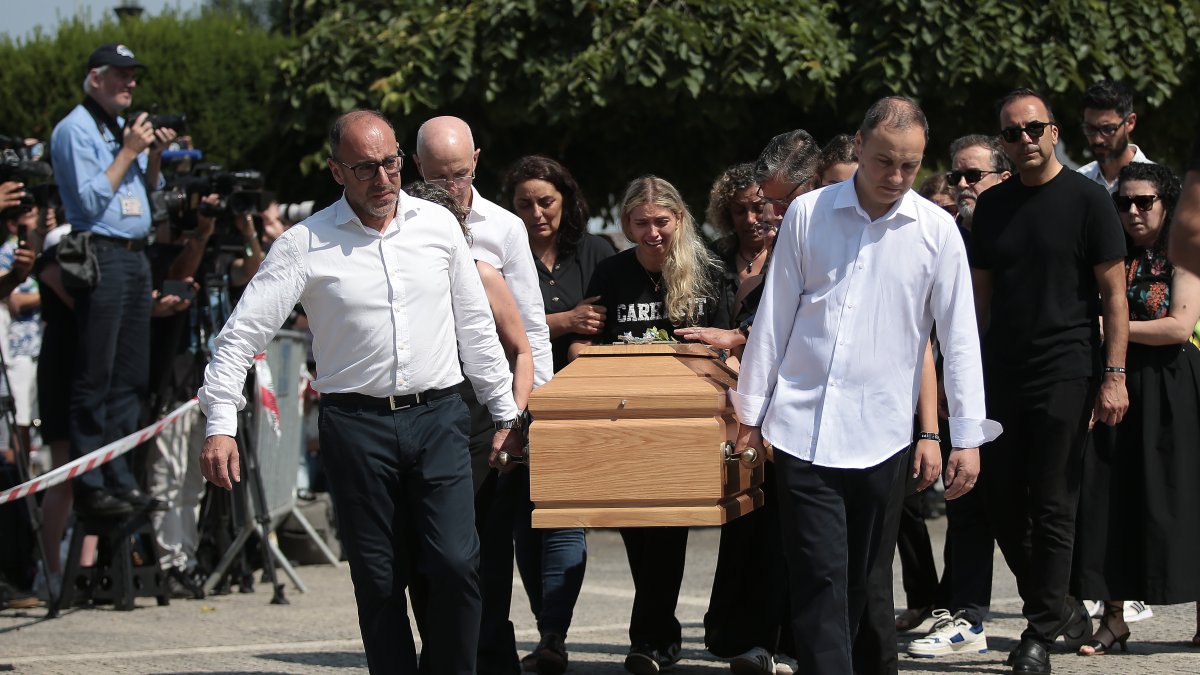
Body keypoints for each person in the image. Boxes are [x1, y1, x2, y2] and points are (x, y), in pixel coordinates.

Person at [198, 110, 525, 674]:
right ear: (336, 172)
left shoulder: (438, 226)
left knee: (455, 562)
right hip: (356, 427)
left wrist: (506, 413)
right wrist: (220, 424)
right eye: (366, 167)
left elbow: (476, 327)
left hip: (440, 415)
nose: (384, 178)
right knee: (378, 577)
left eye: (391, 162)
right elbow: (239, 336)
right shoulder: (306, 242)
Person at [730, 96, 998, 674]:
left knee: (865, 584)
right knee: (819, 579)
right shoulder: (807, 214)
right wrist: (749, 416)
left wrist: (965, 438)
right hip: (802, 431)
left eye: (910, 166)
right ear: (858, 146)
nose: (896, 177)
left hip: (884, 436)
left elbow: (958, 341)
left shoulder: (938, 233)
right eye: (884, 162)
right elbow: (774, 320)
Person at [971, 88, 1129, 675]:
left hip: (1068, 367)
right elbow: (979, 305)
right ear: (1003, 143)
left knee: (1055, 501)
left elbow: (1114, 298)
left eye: (1034, 128)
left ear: (1054, 131)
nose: (1025, 140)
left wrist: (1114, 376)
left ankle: (1036, 636)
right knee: (1002, 503)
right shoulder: (991, 207)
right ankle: (1059, 606)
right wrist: (969, 379)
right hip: (1002, 373)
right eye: (1012, 133)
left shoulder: (1089, 200)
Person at [569, 175, 732, 674]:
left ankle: (651, 638)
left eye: (662, 221)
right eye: (641, 223)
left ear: (680, 219)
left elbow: (728, 349)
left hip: (690, 423)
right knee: (638, 531)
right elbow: (583, 346)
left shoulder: (709, 273)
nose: (653, 232)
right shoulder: (612, 274)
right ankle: (659, 632)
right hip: (625, 423)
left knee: (665, 529)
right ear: (626, 225)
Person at [1074, 162, 1200, 655]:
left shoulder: (1183, 256)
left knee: (1182, 498)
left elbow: (1177, 325)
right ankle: (1113, 619)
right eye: (1123, 202)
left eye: (1144, 201)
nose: (1132, 211)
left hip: (1170, 384)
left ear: (1166, 204)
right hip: (1114, 380)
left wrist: (1112, 330)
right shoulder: (1106, 252)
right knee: (1108, 497)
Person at [50, 43, 177, 516]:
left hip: (134, 256)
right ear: (95, 78)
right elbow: (87, 202)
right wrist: (129, 151)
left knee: (129, 376)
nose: (131, 83)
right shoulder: (74, 130)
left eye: (133, 75)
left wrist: (154, 157)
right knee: (96, 373)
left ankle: (121, 476)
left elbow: (149, 196)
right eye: (121, 75)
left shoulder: (119, 130)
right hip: (100, 253)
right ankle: (90, 481)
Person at [501, 155, 611, 674]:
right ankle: (549, 628)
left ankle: (553, 633)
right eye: (524, 204)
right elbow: (494, 328)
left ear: (566, 201)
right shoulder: (501, 254)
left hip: (575, 412)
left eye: (546, 201)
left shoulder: (594, 252)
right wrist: (563, 321)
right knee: (526, 526)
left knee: (565, 522)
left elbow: (608, 327)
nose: (537, 213)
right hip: (518, 408)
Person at [905, 134, 1013, 659]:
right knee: (965, 502)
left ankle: (1058, 607)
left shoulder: (1017, 233)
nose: (963, 185)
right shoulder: (943, 237)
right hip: (958, 397)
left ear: (1002, 178)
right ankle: (967, 615)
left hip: (1018, 391)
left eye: (974, 176)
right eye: (957, 176)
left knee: (1025, 511)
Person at [1077, 80, 1152, 193]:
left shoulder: (1159, 183)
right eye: (1090, 129)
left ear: (1130, 123)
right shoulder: (1078, 183)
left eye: (1108, 129)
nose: (1098, 139)